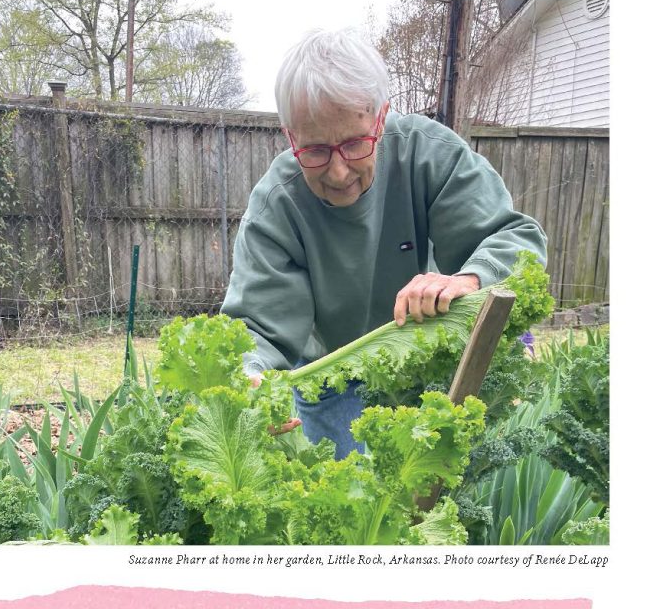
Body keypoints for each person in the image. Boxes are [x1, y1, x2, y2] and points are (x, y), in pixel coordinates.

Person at [221, 28, 547, 458]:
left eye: (356, 144)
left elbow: (516, 239)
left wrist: (469, 279)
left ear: (381, 117)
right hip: (331, 378)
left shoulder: (428, 153)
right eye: (315, 151)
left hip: (426, 366)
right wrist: (248, 376)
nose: (338, 172)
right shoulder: (277, 206)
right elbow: (257, 326)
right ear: (290, 137)